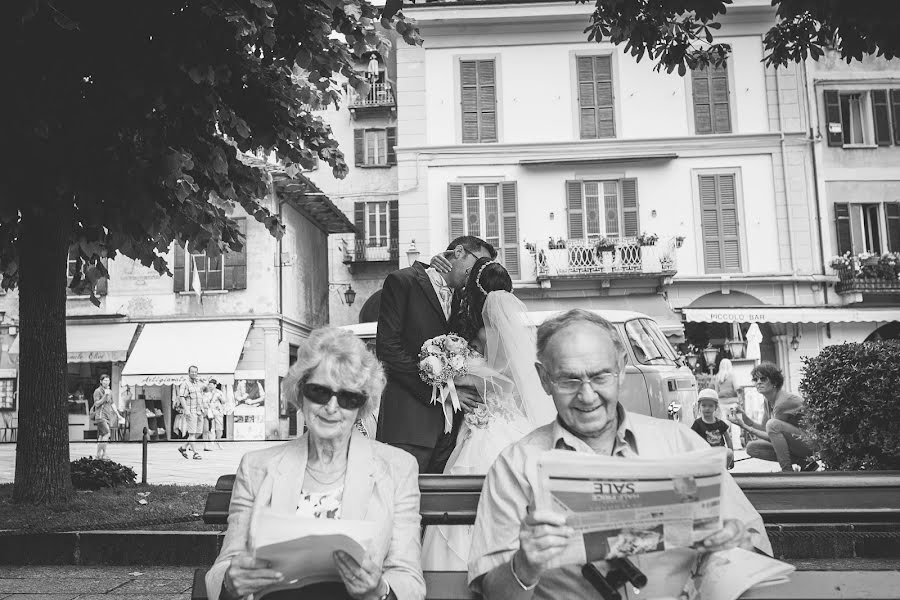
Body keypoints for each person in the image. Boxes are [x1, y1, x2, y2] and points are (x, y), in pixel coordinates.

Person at [468, 309, 772, 600]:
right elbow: (494, 594)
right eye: (569, 380)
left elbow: (754, 548)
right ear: (544, 379)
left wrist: (736, 544)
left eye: (600, 377)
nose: (587, 396)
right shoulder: (516, 466)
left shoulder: (679, 443)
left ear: (621, 369)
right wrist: (524, 566)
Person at [205, 327, 425, 600]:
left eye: (348, 397)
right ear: (300, 393)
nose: (332, 407)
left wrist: (380, 590)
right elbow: (224, 568)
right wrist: (231, 581)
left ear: (361, 406)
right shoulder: (257, 467)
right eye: (320, 392)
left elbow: (409, 579)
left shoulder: (398, 468)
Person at [421, 259, 557, 571]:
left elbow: (496, 378)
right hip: (511, 423)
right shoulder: (518, 335)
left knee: (468, 491)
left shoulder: (483, 333)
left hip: (486, 425)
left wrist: (458, 376)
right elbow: (514, 380)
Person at [376, 236, 496, 473]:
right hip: (409, 425)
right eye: (478, 263)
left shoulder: (464, 299)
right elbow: (389, 350)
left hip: (450, 434)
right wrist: (442, 393)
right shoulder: (403, 281)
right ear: (459, 252)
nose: (477, 274)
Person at [730, 362, 816, 472]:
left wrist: (745, 427)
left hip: (811, 444)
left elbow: (771, 433)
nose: (758, 382)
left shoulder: (783, 402)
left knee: (772, 425)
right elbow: (763, 429)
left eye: (763, 379)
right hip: (797, 442)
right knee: (752, 448)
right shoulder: (768, 400)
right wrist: (744, 417)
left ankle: (787, 471)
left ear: (774, 382)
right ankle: (804, 462)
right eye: (756, 380)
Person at [691, 388, 734, 469]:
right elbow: (691, 439)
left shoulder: (720, 423)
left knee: (729, 453)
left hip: (719, 454)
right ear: (699, 406)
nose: (707, 408)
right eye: (704, 405)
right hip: (704, 455)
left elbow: (728, 439)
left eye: (711, 405)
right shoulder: (697, 423)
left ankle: (723, 472)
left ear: (716, 407)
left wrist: (732, 458)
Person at [177, 365, 207, 460]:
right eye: (192, 372)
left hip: (199, 411)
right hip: (191, 411)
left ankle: (183, 447)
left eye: (195, 372)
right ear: (188, 372)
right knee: (192, 433)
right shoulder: (185, 383)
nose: (194, 373)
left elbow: (205, 389)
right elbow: (181, 396)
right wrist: (186, 409)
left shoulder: (198, 383)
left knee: (198, 432)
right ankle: (195, 453)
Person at [91, 374, 120, 459]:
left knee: (101, 436)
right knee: (107, 433)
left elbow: (112, 403)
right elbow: (96, 403)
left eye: (108, 380)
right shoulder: (97, 391)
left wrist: (118, 414)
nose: (107, 382)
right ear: (101, 381)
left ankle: (100, 454)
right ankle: (101, 454)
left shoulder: (110, 391)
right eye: (105, 380)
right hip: (100, 416)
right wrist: (105, 395)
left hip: (108, 416)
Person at [204, 379, 225, 451]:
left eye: (212, 385)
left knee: (219, 429)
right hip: (210, 413)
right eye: (209, 385)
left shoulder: (219, 392)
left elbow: (224, 401)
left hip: (218, 412)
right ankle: (212, 444)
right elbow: (204, 402)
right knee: (211, 429)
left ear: (215, 385)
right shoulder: (206, 393)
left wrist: (220, 397)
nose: (210, 386)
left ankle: (218, 441)